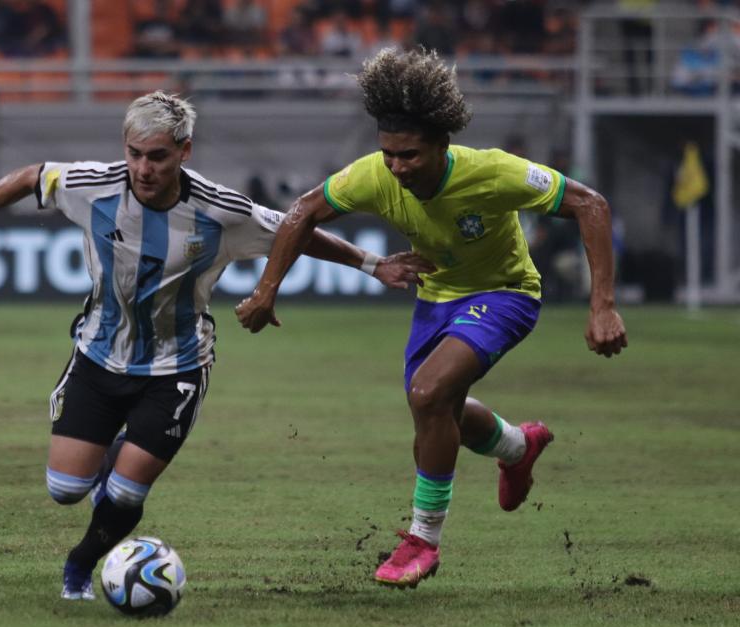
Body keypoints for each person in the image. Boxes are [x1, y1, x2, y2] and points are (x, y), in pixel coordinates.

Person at [0, 91, 433, 600]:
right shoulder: (93, 186)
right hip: (98, 355)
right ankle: (117, 455)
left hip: (177, 366)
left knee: (125, 493)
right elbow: (32, 176)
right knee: (64, 489)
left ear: (185, 151)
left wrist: (372, 263)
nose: (144, 168)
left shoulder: (221, 210)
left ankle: (80, 565)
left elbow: (295, 230)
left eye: (158, 156)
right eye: (135, 154)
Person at [235, 49, 628, 589]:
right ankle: (517, 447)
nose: (397, 168)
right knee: (438, 410)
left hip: (505, 293)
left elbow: (591, 204)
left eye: (410, 155)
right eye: (389, 155)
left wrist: (602, 304)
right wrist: (266, 290)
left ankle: (422, 541)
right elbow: (302, 212)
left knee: (427, 394)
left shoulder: (493, 172)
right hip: (435, 299)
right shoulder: (374, 175)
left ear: (442, 144)